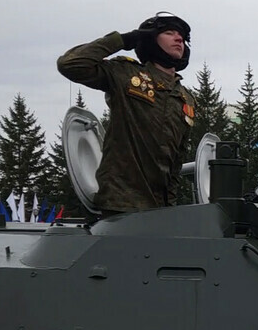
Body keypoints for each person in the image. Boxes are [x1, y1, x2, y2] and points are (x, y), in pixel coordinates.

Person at [58, 12, 196, 216]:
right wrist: (123, 40)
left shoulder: (185, 99)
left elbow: (175, 161)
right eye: (169, 33)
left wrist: (169, 207)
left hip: (159, 210)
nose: (179, 39)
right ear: (149, 38)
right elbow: (70, 64)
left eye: (182, 36)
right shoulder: (126, 74)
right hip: (120, 204)